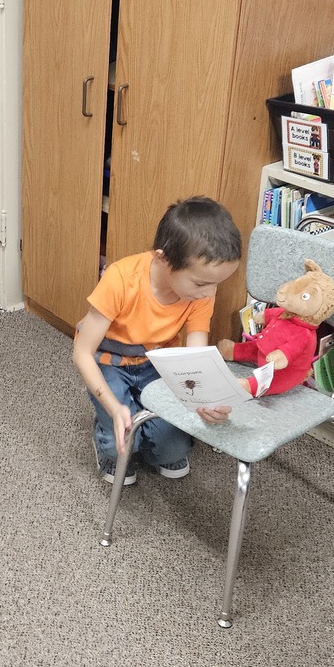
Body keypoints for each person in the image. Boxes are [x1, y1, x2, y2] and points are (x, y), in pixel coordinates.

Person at [73, 196, 242, 485]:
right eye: (201, 283)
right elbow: (82, 353)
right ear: (162, 258)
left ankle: (144, 423)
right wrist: (114, 408)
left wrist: (206, 403)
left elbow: (194, 359)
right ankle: (104, 433)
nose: (209, 292)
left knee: (172, 450)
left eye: (217, 283)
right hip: (108, 362)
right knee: (121, 446)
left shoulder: (202, 294)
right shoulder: (120, 279)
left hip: (158, 363)